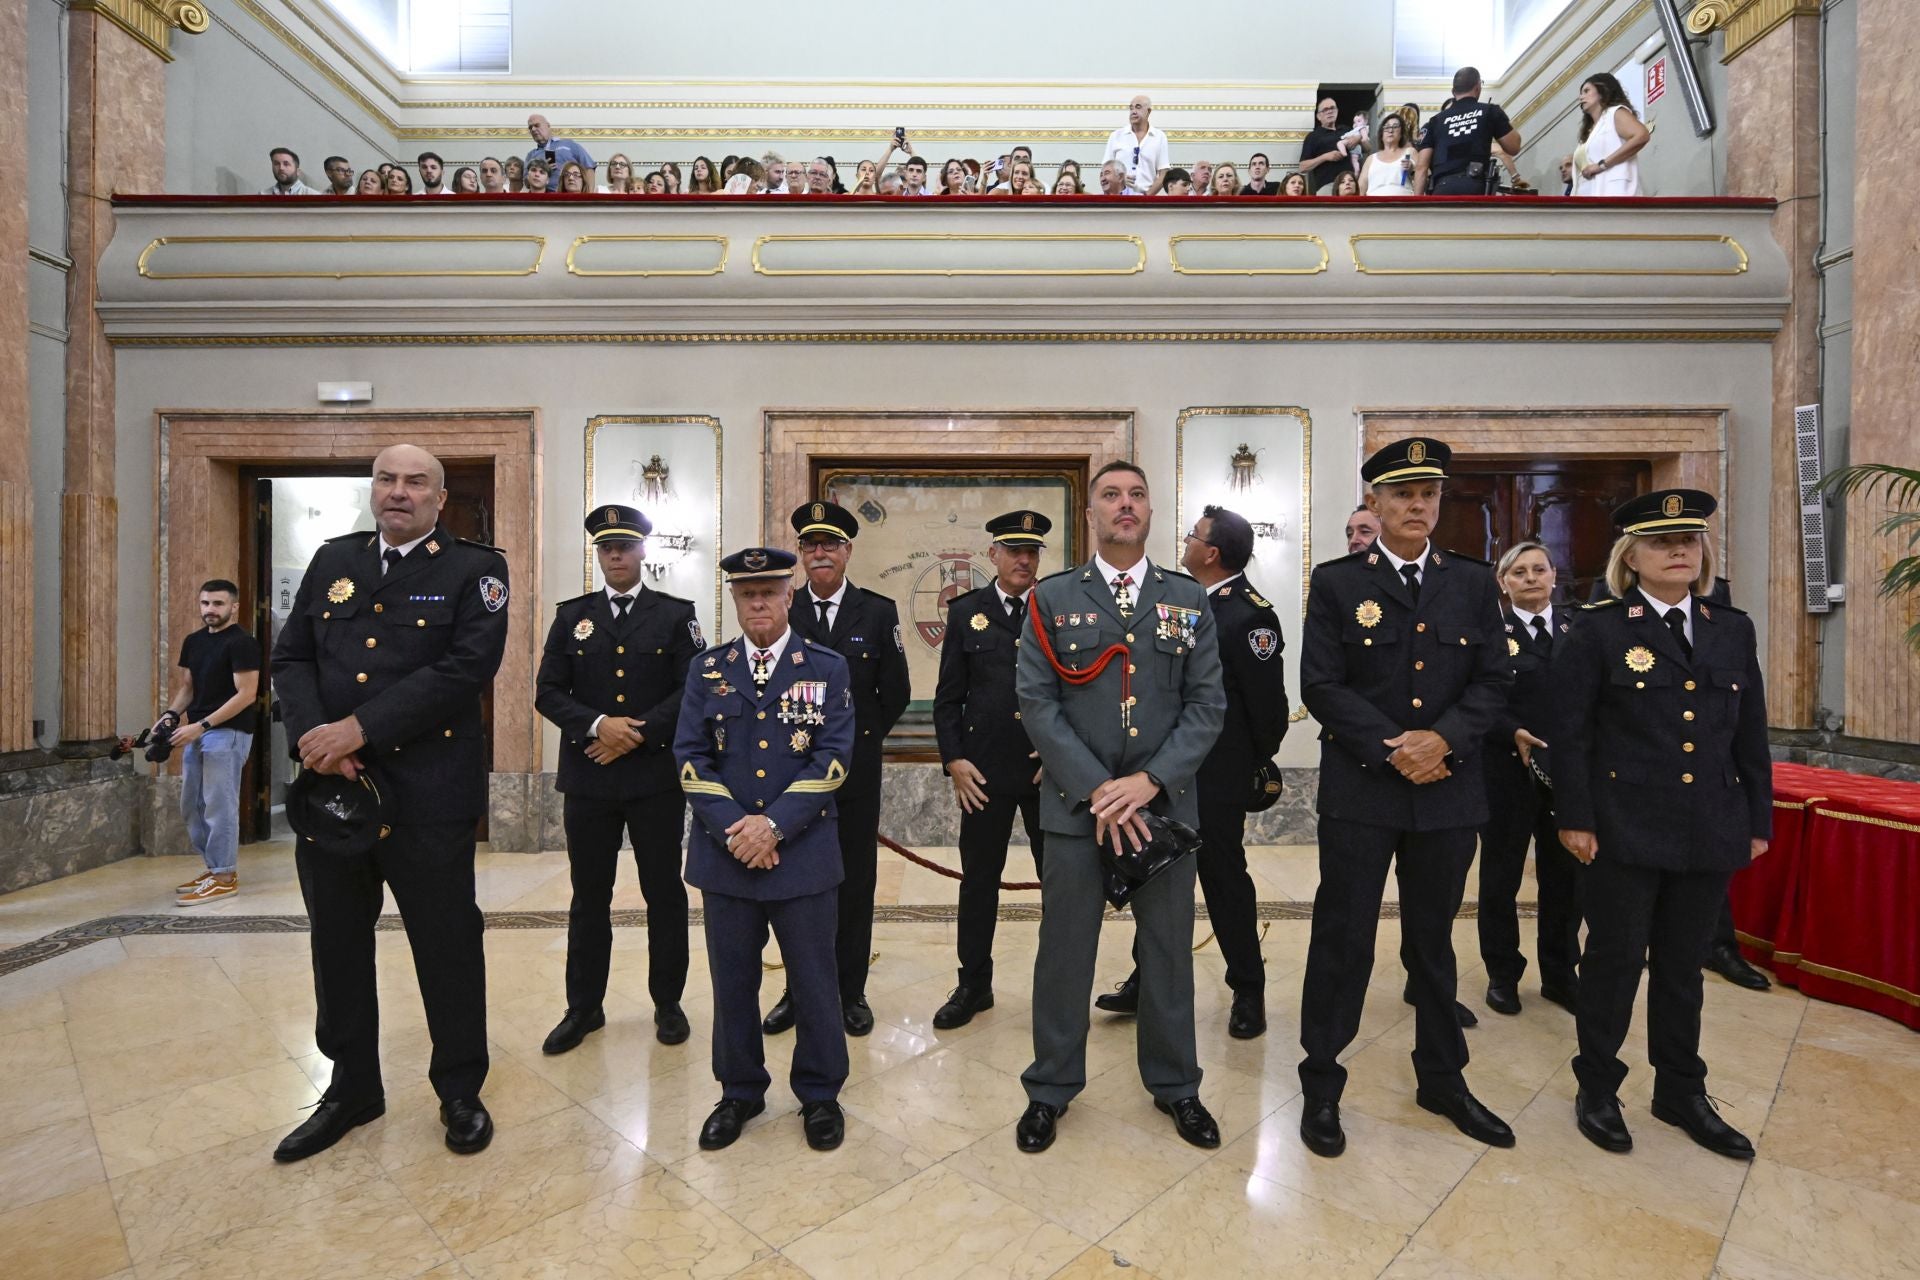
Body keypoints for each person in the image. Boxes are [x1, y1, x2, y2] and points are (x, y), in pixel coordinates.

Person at [269, 443, 509, 1163]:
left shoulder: (476, 569)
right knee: (336, 940)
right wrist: (320, 739)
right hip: (333, 792)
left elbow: (467, 668)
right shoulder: (332, 561)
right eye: (386, 479)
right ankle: (351, 1087)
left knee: (446, 942)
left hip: (427, 794)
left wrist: (360, 728)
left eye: (416, 483)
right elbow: (292, 657)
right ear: (372, 490)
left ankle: (460, 1087)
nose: (398, 492)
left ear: (441, 499)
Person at [1296, 437, 1515, 1159]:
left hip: (1449, 793)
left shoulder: (1475, 583)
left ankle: (1443, 1078)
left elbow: (1492, 683)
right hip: (1363, 790)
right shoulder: (1335, 583)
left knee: (1433, 943)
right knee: (1344, 938)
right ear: (1375, 505)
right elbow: (1322, 685)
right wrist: (1399, 746)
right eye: (1401, 495)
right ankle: (1322, 1083)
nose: (1417, 505)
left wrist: (1441, 742)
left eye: (1428, 494)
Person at [1014, 461, 1227, 1155]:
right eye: (1111, 495)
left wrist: (1149, 783)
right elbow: (1037, 703)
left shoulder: (1187, 599)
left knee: (1167, 954)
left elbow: (1206, 706)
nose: (1125, 505)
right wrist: (1099, 788)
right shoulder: (1051, 599)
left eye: (1137, 494)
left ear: (1150, 512)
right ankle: (1049, 1089)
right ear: (1093, 515)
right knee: (1065, 953)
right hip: (1078, 810)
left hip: (1162, 811)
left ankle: (1177, 1087)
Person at [1554, 490, 1771, 1160]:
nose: (1679, 550)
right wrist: (1576, 819)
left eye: (1689, 538)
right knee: (1615, 964)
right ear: (1632, 556)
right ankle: (1598, 1087)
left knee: (1684, 968)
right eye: (1661, 541)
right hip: (1623, 826)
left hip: (1708, 826)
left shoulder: (1730, 628)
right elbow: (1572, 735)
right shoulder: (1599, 631)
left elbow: (1750, 735)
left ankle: (1680, 1089)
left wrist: (1755, 820)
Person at [675, 547, 854, 1153]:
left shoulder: (825, 667)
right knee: (732, 981)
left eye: (770, 591)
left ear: (788, 597)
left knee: (813, 979)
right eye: (747, 592)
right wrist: (738, 830)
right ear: (733, 600)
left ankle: (821, 1093)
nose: (758, 602)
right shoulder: (707, 669)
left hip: (801, 856)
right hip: (726, 858)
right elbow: (690, 759)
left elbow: (832, 759)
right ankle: (740, 1090)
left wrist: (772, 828)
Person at [1093, 507, 1287, 1038]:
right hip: (1162, 769)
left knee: (1224, 880)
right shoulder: (1177, 600)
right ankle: (1145, 979)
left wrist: (1242, 767)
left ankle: (1248, 988)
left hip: (1217, 776)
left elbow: (1268, 711)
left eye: (1193, 536)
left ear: (1212, 552)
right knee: (1154, 875)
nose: (1186, 541)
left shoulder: (1250, 617)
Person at [535, 504, 704, 1055]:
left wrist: (637, 733)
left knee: (663, 893)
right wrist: (598, 726)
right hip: (589, 780)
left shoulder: (676, 614)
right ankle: (583, 1008)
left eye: (625, 545)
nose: (615, 554)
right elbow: (549, 691)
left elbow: (692, 689)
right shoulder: (571, 616)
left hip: (653, 778)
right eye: (606, 547)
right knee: (589, 898)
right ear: (599, 554)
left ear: (642, 551)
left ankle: (668, 1001)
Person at [763, 502, 910, 1038]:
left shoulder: (877, 611)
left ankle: (850, 991)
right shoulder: (783, 610)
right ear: (801, 555)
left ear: (848, 551)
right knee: (794, 883)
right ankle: (796, 991)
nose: (819, 553)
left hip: (854, 774)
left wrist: (856, 743)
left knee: (853, 880)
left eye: (830, 544)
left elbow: (895, 692)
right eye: (810, 545)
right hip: (789, 775)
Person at [931, 511, 1053, 1029]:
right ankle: (973, 983)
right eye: (1014, 551)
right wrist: (954, 761)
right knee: (979, 881)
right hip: (982, 775)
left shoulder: (1057, 609)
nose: (1024, 560)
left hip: (1049, 774)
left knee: (1061, 884)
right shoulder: (967, 613)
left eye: (1032, 552)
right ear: (994, 556)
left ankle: (1058, 986)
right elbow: (948, 699)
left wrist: (1063, 753)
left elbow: (1077, 690)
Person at [1477, 542, 1580, 1017]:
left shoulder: (1580, 628)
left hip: (1568, 773)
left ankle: (1560, 974)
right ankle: (1503, 974)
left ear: (1554, 576)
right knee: (1501, 876)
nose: (1531, 578)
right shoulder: (1489, 632)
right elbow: (1475, 696)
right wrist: (1508, 731)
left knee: (1565, 878)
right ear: (1504, 583)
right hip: (1506, 770)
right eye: (1519, 572)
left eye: (1540, 569)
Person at [160, 580, 261, 906]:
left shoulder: (242, 642)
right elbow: (189, 687)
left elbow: (246, 695)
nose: (210, 610)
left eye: (217, 604)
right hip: (198, 731)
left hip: (228, 732)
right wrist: (171, 715)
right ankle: (214, 867)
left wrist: (202, 725)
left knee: (219, 805)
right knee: (193, 805)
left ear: (233, 606)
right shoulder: (194, 641)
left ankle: (224, 876)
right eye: (205, 603)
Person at [1414, 67, 1522, 195]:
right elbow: (1514, 147)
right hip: (1474, 187)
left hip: (1442, 188)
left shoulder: (1434, 122)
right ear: (1477, 87)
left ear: (1453, 91)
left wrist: (1417, 205)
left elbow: (1421, 168)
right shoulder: (1489, 111)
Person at [1574, 72, 1649, 196]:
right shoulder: (1590, 132)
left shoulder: (1615, 113)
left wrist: (1601, 165)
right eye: (1581, 93)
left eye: (1586, 91)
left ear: (1602, 90)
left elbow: (1641, 135)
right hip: (1593, 197)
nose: (1581, 97)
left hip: (1617, 193)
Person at [1103, 93, 1171, 195]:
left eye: (1138, 107)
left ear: (1149, 111)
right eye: (1131, 108)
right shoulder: (1116, 136)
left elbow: (1164, 173)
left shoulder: (1159, 137)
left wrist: (1147, 197)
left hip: (1146, 198)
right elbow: (1105, 170)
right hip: (1118, 197)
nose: (1133, 111)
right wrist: (1119, 179)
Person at [1298, 99, 1356, 194]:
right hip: (1327, 186)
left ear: (1337, 111)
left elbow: (1368, 148)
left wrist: (1358, 137)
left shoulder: (1346, 130)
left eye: (1332, 108)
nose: (1329, 111)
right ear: (1318, 116)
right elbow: (1302, 167)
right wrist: (1325, 157)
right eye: (1325, 109)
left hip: (1350, 184)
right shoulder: (1313, 136)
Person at [525, 113, 595, 190]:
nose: (533, 129)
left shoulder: (569, 144)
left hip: (570, 195)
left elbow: (589, 167)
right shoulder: (531, 155)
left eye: (537, 125)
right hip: (544, 198)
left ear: (548, 126)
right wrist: (541, 170)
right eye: (530, 127)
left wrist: (589, 195)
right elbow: (526, 183)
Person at [1361, 114, 1417, 195]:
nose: (1390, 130)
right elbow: (1361, 188)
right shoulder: (1371, 159)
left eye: (1395, 126)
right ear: (1381, 134)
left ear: (1401, 133)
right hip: (1374, 205)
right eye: (1387, 127)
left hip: (1403, 204)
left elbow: (1423, 180)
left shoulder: (1410, 152)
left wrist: (1412, 170)